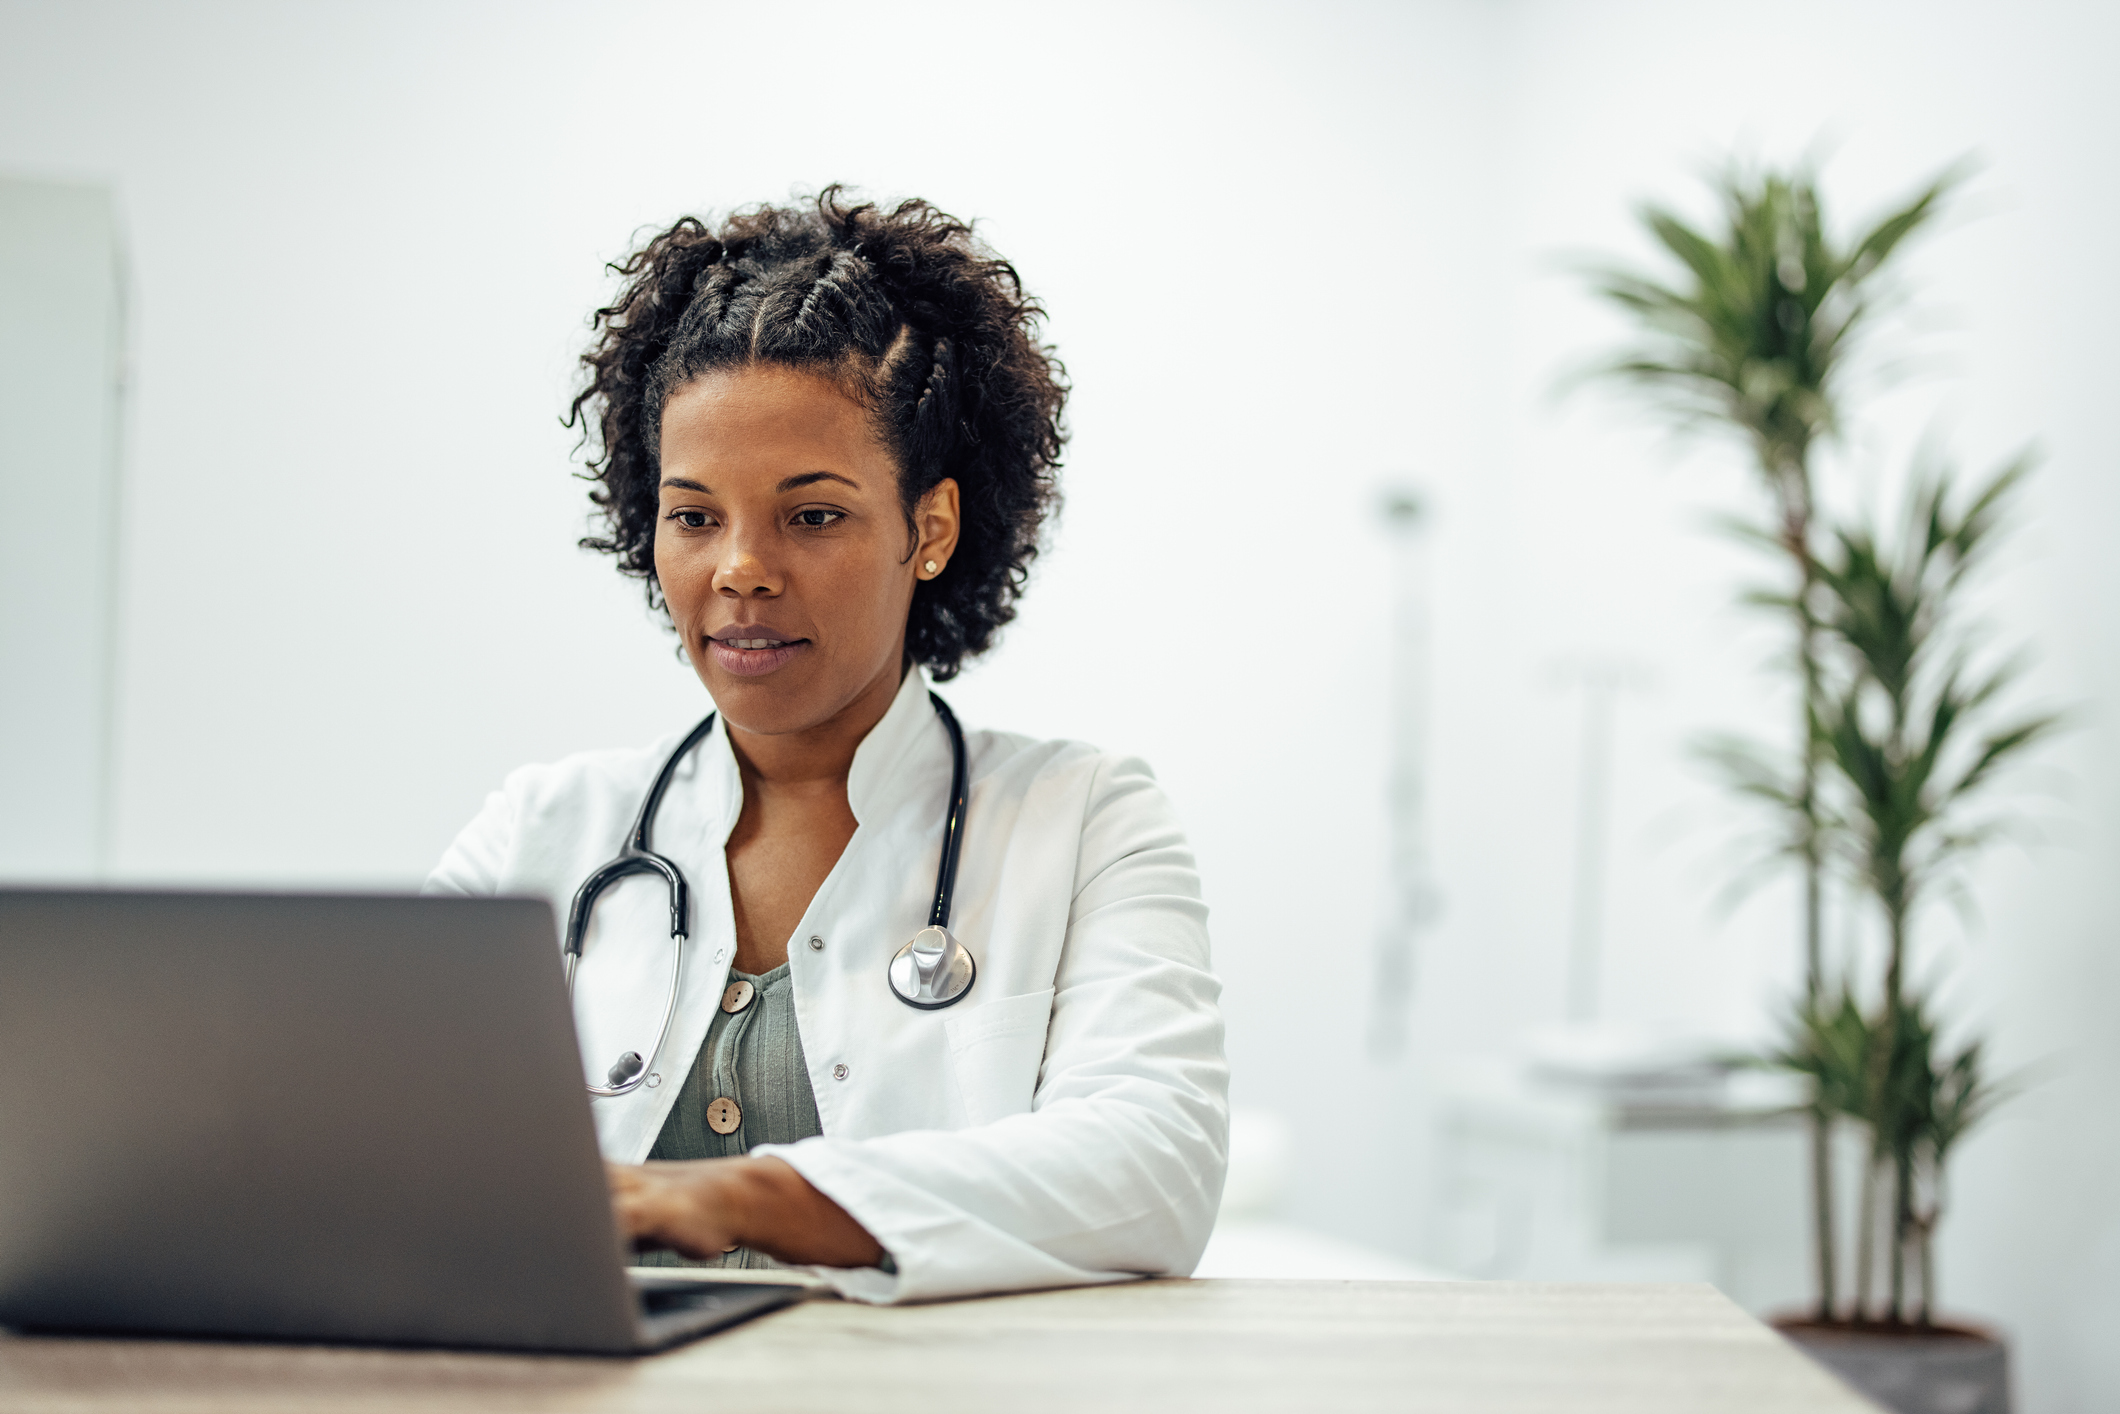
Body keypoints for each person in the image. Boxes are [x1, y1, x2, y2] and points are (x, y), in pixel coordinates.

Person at [424, 190, 1228, 1303]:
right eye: (694, 515)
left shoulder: (1083, 818)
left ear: (929, 528)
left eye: (811, 516)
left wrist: (733, 1200)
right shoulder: (543, 828)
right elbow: (383, 1143)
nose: (738, 569)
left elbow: (1153, 1165)